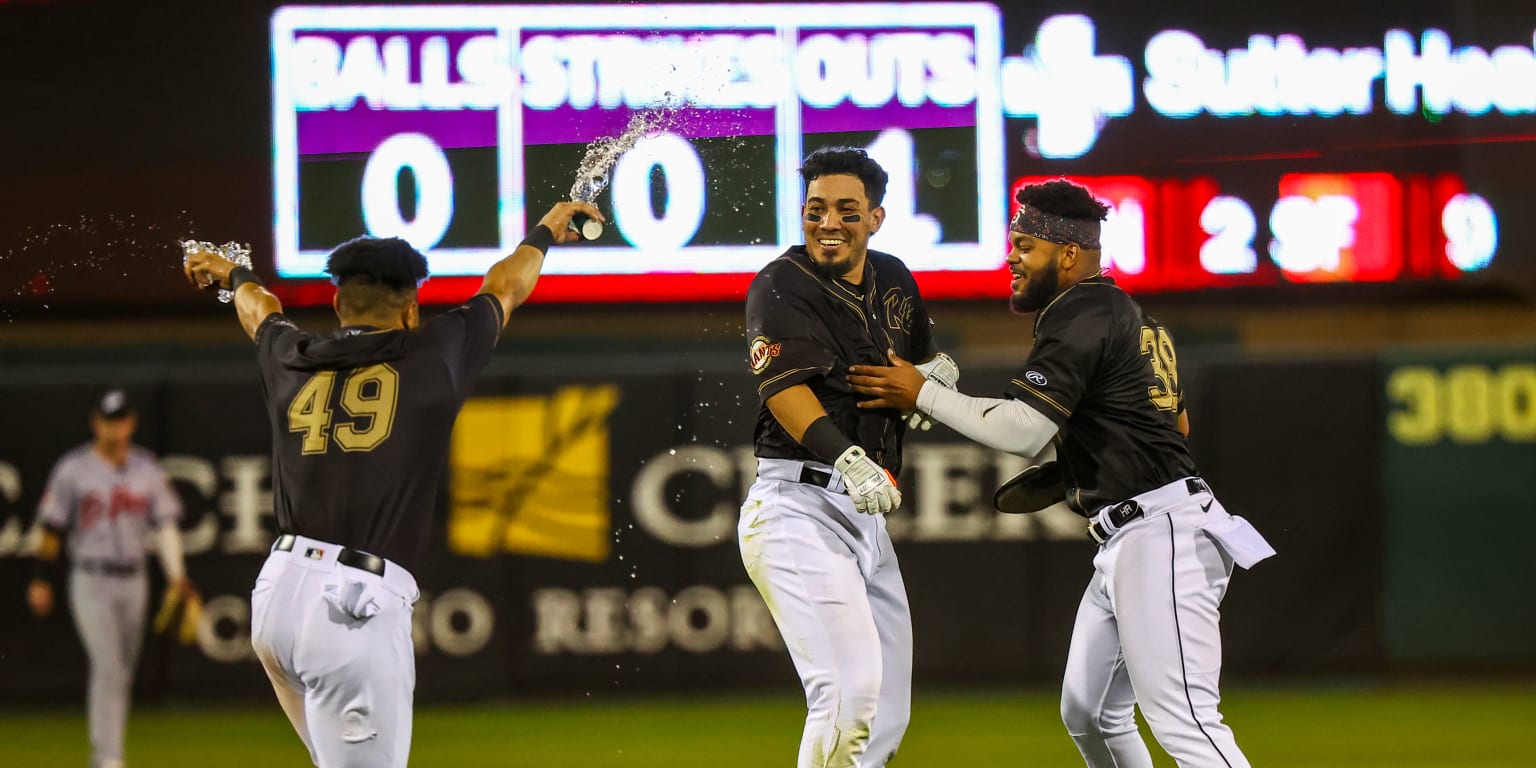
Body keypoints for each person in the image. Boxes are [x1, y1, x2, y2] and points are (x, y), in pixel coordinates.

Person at [847, 179, 1275, 768]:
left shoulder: (1080, 310)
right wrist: (1076, 462)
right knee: (1090, 712)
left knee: (1187, 721)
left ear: (1068, 254)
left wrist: (923, 393)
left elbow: (1023, 430)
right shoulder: (1126, 315)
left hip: (1161, 535)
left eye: (1025, 245)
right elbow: (1174, 427)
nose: (1011, 258)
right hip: (1140, 532)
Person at [181, 200, 603, 768]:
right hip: (352, 604)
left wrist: (232, 272)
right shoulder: (432, 352)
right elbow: (506, 285)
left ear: (336, 303)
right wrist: (549, 229)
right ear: (411, 310)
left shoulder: (293, 353)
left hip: (276, 597)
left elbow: (261, 310)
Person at [739, 146, 957, 768]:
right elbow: (783, 389)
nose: (828, 222)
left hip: (864, 518)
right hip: (798, 504)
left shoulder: (893, 277)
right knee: (849, 692)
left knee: (886, 711)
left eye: (845, 209)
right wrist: (849, 458)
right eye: (815, 209)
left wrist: (933, 376)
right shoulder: (782, 283)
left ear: (876, 217)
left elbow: (920, 363)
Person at [25, 388, 197, 768]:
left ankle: (107, 752)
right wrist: (41, 578)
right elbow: (51, 528)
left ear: (131, 423)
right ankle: (108, 758)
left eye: (121, 420)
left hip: (135, 580)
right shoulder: (73, 469)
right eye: (108, 420)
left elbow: (166, 525)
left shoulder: (147, 469)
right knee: (108, 666)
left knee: (122, 670)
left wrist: (177, 575)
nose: (115, 428)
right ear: (95, 423)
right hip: (91, 578)